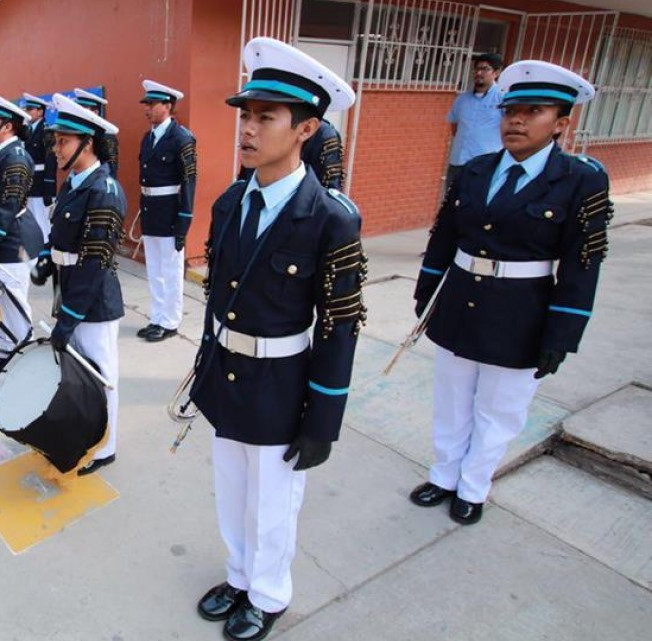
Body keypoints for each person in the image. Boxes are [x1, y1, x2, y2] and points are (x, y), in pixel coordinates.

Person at [189, 38, 363, 641]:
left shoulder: (332, 217)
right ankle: (239, 577)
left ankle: (267, 594)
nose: (249, 127)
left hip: (282, 381)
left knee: (272, 502)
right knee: (232, 489)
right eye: (246, 114)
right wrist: (204, 363)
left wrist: (324, 418)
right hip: (228, 372)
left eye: (267, 116)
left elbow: (341, 326)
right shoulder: (233, 199)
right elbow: (219, 295)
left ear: (307, 128)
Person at [409, 60, 609, 526]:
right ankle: (443, 475)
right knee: (452, 398)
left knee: (499, 408)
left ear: (561, 123)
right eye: (510, 111)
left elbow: (583, 262)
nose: (515, 121)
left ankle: (473, 486)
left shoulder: (580, 180)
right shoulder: (477, 170)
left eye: (532, 111)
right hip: (459, 298)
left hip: (521, 309)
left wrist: (562, 332)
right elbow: (445, 234)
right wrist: (428, 288)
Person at [31, 94, 126, 476]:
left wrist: (67, 321)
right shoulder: (74, 183)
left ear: (87, 144)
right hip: (69, 292)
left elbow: (93, 264)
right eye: (56, 141)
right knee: (79, 375)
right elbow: (60, 234)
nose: (56, 148)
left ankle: (106, 446)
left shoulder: (104, 190)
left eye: (64, 141)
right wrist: (44, 257)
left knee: (100, 377)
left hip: (93, 303)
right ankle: (86, 436)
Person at [0, 91, 42, 370]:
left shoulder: (15, 157)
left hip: (14, 240)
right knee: (3, 298)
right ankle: (7, 349)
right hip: (0, 238)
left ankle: (24, 352)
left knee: (15, 298)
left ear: (8, 126)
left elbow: (8, 207)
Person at [137, 79, 197, 343]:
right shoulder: (148, 138)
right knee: (154, 269)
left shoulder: (181, 138)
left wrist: (185, 219)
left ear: (168, 106)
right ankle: (157, 317)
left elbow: (189, 180)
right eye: (146, 104)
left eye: (152, 104)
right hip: (151, 210)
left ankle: (170, 321)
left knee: (171, 270)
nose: (147, 109)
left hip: (171, 210)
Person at [445, 53, 505, 193]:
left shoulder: (503, 100)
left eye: (485, 69)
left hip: (485, 166)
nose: (479, 73)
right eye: (477, 69)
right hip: (458, 163)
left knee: (475, 207)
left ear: (495, 73)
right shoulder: (462, 100)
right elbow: (455, 129)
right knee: (451, 205)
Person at [21, 93, 55, 241]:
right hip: (30, 184)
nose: (27, 112)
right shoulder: (28, 130)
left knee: (43, 221)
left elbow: (51, 161)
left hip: (41, 185)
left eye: (30, 109)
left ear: (40, 111)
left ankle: (46, 254)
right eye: (26, 109)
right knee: (31, 220)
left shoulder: (46, 131)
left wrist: (49, 187)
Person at [73, 88, 120, 179]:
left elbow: (111, 168)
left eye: (83, 109)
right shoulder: (80, 133)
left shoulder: (107, 136)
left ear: (95, 112)